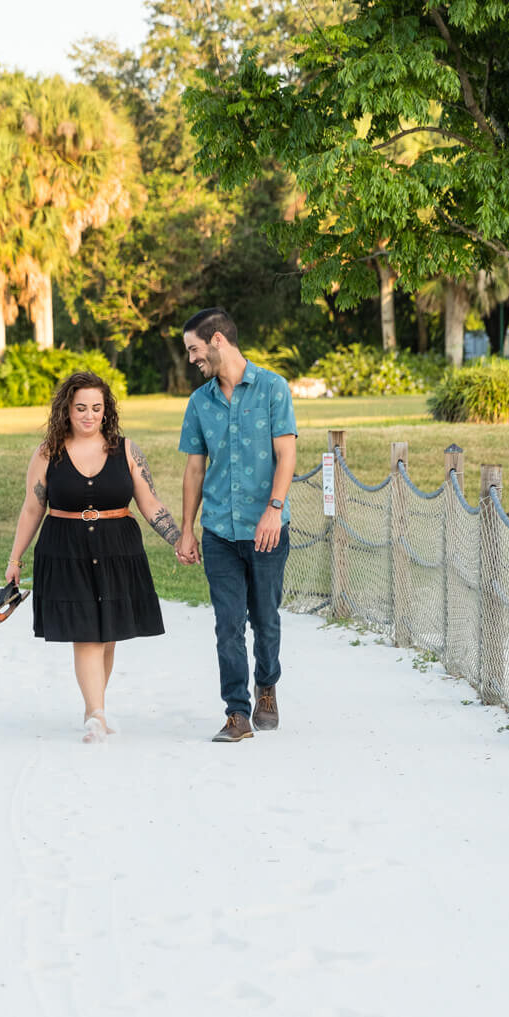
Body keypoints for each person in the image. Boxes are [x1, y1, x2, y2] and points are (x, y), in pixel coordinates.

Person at [5, 370, 184, 742]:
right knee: (85, 633)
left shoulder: (127, 450)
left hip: (118, 549)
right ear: (66, 411)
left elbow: (149, 503)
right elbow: (31, 509)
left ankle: (93, 708)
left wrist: (180, 540)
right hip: (65, 550)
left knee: (107, 634)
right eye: (81, 408)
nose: (89, 415)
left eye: (96, 408)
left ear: (107, 411)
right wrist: (15, 559)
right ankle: (98, 716)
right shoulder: (47, 452)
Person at [175, 308, 298, 742]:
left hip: (266, 530)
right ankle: (237, 712)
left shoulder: (272, 389)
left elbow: (286, 455)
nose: (192, 358)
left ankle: (267, 686)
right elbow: (194, 470)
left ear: (218, 341)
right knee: (228, 623)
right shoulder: (199, 403)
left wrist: (274, 509)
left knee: (265, 619)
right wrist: (187, 529)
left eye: (194, 348)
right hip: (220, 534)